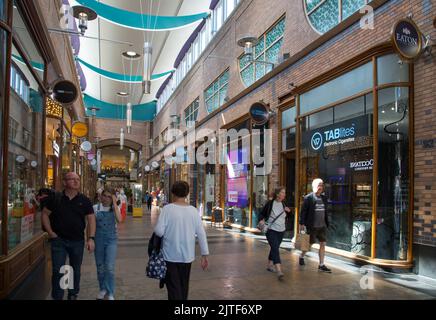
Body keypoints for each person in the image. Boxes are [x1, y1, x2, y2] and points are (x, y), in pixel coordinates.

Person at [41, 172, 96, 300]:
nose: (76, 181)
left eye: (78, 179)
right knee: (58, 270)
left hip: (77, 241)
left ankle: (72, 293)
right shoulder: (56, 198)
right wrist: (50, 232)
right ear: (65, 182)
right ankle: (58, 295)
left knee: (74, 269)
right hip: (59, 240)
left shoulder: (84, 200)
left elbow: (91, 219)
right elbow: (44, 214)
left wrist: (91, 238)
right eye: (72, 179)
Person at [154, 181, 209, 300]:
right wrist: (204, 254)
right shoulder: (193, 211)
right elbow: (201, 233)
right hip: (187, 256)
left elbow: (159, 231)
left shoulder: (167, 209)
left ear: (173, 193)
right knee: (183, 287)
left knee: (173, 288)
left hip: (170, 255)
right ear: (187, 193)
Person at [93, 188, 122, 300]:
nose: (106, 198)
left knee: (109, 267)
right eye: (104, 195)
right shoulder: (95, 208)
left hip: (111, 240)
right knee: (100, 266)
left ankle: (110, 292)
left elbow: (119, 219)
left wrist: (114, 203)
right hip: (98, 239)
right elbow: (91, 225)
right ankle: (102, 288)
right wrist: (89, 240)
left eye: (109, 196)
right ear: (101, 196)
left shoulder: (115, 209)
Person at [258, 187, 292, 280]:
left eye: (284, 192)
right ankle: (279, 270)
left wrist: (289, 212)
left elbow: (289, 215)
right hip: (271, 230)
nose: (284, 194)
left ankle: (269, 265)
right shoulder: (270, 204)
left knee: (274, 247)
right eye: (282, 192)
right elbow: (261, 214)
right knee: (275, 249)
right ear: (277, 194)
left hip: (281, 230)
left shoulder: (284, 203)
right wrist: (261, 220)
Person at [299, 178, 331, 273]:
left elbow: (325, 211)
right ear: (313, 187)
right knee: (309, 245)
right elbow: (303, 212)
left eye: (321, 185)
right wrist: (302, 224)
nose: (320, 187)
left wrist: (327, 222)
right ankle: (301, 256)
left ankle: (321, 264)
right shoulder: (308, 198)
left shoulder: (324, 198)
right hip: (312, 226)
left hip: (322, 226)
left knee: (323, 244)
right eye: (318, 185)